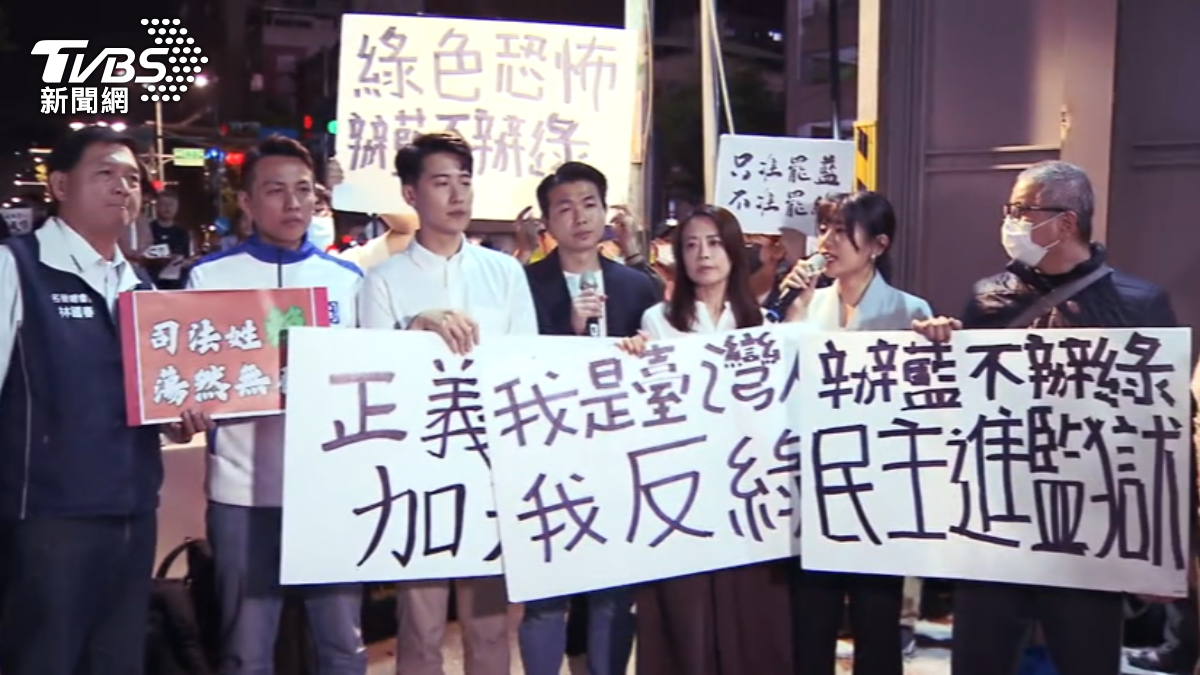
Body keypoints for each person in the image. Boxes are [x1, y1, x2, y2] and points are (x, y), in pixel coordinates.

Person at [912, 160, 1178, 675]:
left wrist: (1163, 549)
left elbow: (1161, 435)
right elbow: (964, 408)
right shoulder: (988, 298)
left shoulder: (1140, 305)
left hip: (1087, 529)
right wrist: (937, 348)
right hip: (997, 522)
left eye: (1022, 209)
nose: (1009, 221)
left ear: (1066, 221)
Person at [0, 125, 213, 675]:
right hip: (47, 518)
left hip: (134, 511)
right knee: (43, 658)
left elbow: (153, 395)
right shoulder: (15, 268)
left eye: (133, 178)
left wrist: (175, 419)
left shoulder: (139, 286)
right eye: (105, 174)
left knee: (116, 659)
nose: (124, 187)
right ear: (60, 185)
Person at [359, 130, 537, 675]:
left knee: (490, 628)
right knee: (420, 627)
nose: (458, 195)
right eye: (442, 182)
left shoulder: (504, 272)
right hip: (419, 471)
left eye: (465, 181)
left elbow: (525, 364)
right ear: (410, 194)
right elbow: (375, 376)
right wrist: (414, 327)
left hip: (489, 469)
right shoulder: (381, 280)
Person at [188, 135, 367, 675]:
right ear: (246, 201)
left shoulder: (348, 282)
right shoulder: (209, 279)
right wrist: (186, 412)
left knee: (342, 648)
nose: (293, 203)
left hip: (331, 492)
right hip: (244, 495)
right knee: (246, 652)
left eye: (304, 190)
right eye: (275, 191)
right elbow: (186, 380)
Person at [619, 205, 794, 675]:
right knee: (684, 617)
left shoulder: (763, 325)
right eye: (692, 245)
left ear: (735, 251)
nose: (703, 254)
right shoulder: (658, 321)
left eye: (714, 243)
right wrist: (631, 356)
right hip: (682, 488)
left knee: (747, 617)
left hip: (745, 490)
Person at [777, 191, 932, 675]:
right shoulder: (806, 304)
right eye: (824, 228)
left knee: (876, 624)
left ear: (878, 245)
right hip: (812, 484)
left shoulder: (910, 311)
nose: (827, 241)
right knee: (810, 624)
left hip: (878, 489)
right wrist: (791, 311)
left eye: (842, 231)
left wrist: (939, 342)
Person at [519, 162, 659, 675]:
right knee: (545, 596)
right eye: (565, 208)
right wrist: (568, 328)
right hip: (547, 454)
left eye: (589, 205)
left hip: (618, 458)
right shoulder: (522, 284)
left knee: (613, 594)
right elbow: (514, 362)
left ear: (605, 212)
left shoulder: (639, 287)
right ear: (546, 221)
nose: (579, 218)